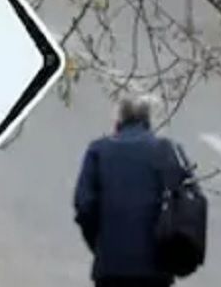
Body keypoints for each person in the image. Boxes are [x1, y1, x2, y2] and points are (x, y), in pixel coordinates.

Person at [73, 94, 191, 287]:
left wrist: (100, 243)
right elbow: (188, 205)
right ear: (148, 121)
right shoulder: (167, 150)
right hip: (156, 269)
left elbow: (85, 205)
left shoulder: (98, 151)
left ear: (118, 120)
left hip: (110, 267)